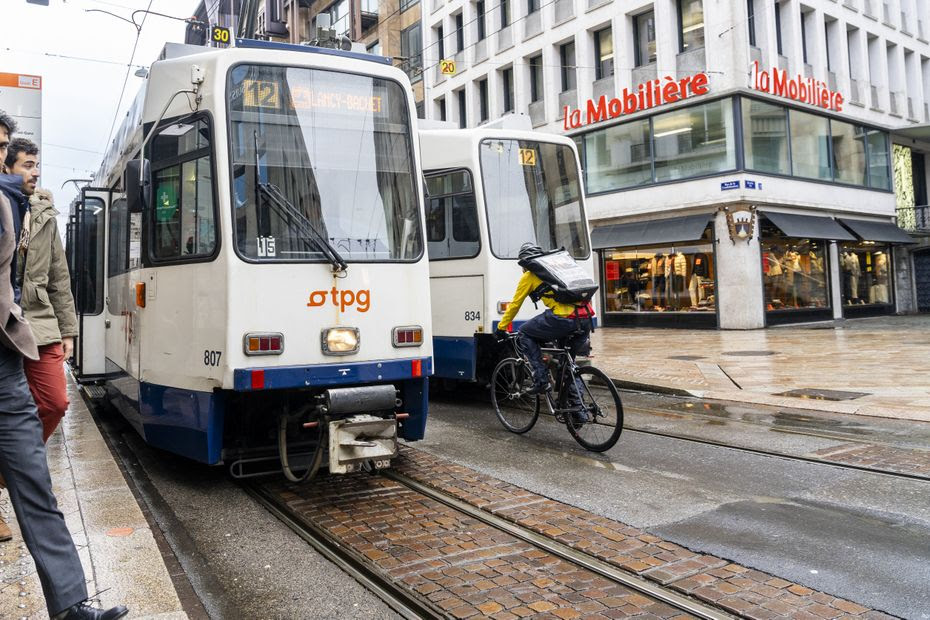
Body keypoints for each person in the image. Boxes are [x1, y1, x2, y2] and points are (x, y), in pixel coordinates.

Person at [0, 111, 128, 620]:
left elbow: (57, 276)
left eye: (6, 147)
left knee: (37, 483)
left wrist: (69, 329)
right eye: (18, 159)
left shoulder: (28, 207)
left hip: (14, 350)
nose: (26, 169)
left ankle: (73, 605)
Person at [6, 138, 78, 444]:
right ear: (7, 168)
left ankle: (18, 462)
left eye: (37, 166)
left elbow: (59, 279)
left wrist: (67, 332)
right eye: (27, 165)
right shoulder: (4, 205)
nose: (35, 172)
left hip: (41, 322)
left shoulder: (46, 216)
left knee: (55, 403)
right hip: (6, 321)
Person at [496, 242, 594, 419]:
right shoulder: (557, 270)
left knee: (525, 333)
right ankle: (579, 412)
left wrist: (501, 327)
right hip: (586, 319)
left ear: (525, 263)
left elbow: (514, 305)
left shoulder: (530, 276)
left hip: (563, 320)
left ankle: (541, 381)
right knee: (568, 365)